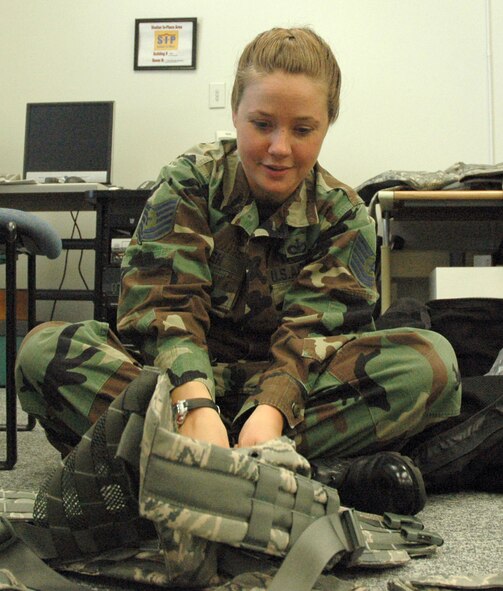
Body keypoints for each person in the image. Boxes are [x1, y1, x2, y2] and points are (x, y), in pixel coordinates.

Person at [15, 27, 461, 515]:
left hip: (287, 398)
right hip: (173, 386)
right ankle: (281, 474)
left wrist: (269, 416)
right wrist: (193, 404)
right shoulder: (189, 182)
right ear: (235, 112)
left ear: (328, 124)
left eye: (302, 129)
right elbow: (166, 311)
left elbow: (315, 336)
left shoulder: (345, 215)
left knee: (430, 363)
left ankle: (173, 466)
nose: (279, 147)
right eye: (262, 123)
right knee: (42, 351)